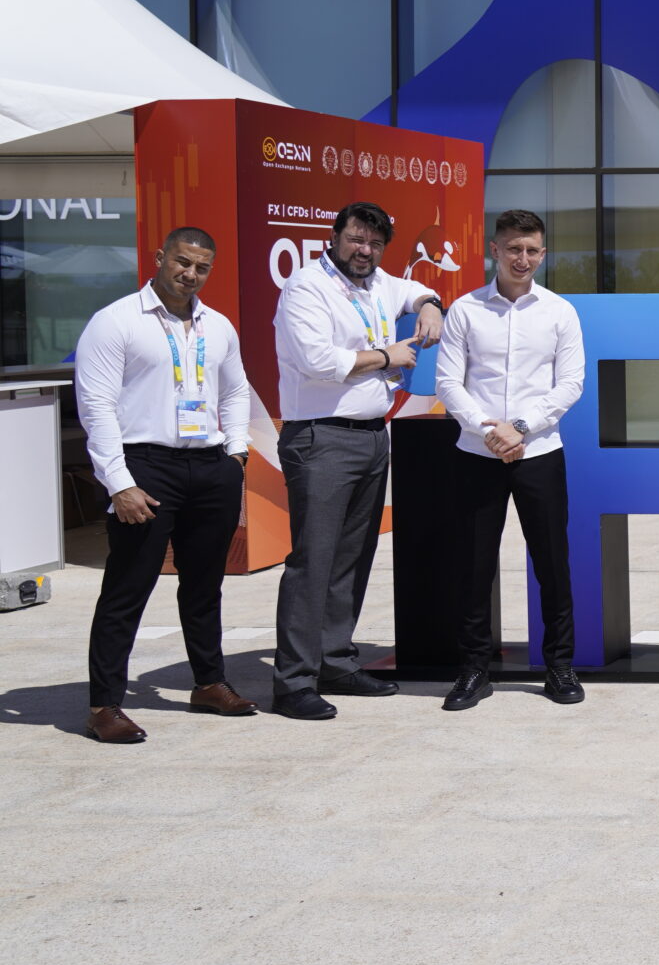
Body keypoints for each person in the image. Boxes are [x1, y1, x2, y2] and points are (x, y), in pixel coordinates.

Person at [71, 228, 258, 742]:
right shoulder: (116, 322)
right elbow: (96, 407)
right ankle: (104, 705)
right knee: (128, 587)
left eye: (201, 267)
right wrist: (118, 482)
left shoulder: (217, 326)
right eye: (181, 262)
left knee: (205, 585)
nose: (190, 274)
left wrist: (236, 453)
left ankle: (209, 683)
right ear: (160, 258)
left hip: (210, 467)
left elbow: (236, 390)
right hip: (145, 467)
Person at [269, 200, 446, 719]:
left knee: (351, 557)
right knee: (313, 562)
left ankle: (336, 662)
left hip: (371, 435)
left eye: (374, 243)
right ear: (334, 237)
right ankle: (293, 682)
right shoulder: (307, 287)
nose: (364, 250)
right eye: (355, 239)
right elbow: (318, 361)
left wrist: (431, 304)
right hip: (321, 437)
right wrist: (388, 356)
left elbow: (413, 290)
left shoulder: (378, 283)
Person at [433, 210, 586, 712]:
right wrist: (488, 431)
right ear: (494, 250)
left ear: (543, 254)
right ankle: (474, 670)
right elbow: (448, 383)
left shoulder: (560, 312)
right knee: (473, 567)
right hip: (476, 455)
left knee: (552, 564)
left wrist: (519, 427)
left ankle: (559, 666)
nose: (523, 258)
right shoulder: (465, 310)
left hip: (539, 453)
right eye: (514, 248)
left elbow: (570, 383)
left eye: (532, 250)